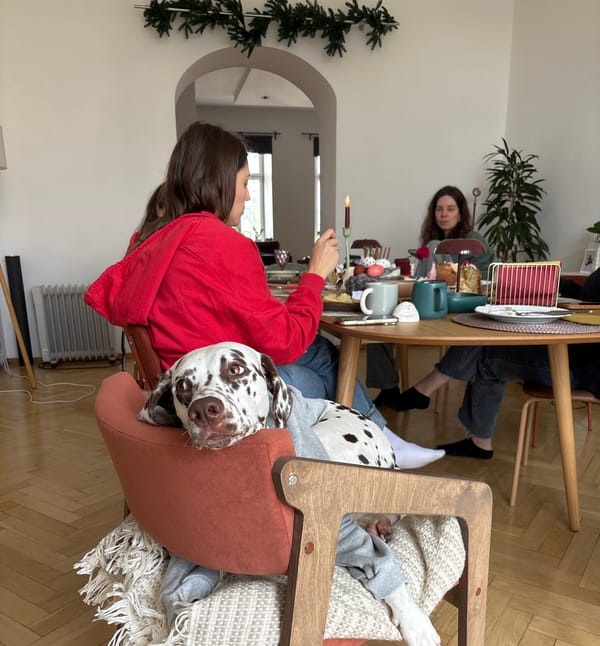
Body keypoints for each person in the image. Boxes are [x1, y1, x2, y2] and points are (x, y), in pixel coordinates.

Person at [85, 121, 444, 469]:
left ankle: (381, 436)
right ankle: (370, 449)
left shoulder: (147, 242)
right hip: (218, 398)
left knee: (320, 350)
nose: (248, 194)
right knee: (321, 374)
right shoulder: (218, 243)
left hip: (180, 387)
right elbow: (285, 342)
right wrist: (315, 275)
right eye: (244, 182)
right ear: (220, 182)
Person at [390, 266, 600, 458]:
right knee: (487, 336)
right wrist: (549, 283)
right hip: (580, 360)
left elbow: (590, 297)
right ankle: (430, 396)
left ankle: (428, 392)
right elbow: (585, 295)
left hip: (580, 371)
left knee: (487, 351)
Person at [368, 185, 494, 410]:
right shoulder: (431, 241)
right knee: (379, 317)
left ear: (460, 213)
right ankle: (387, 387)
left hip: (460, 302)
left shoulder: (473, 239)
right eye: (439, 209)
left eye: (450, 209)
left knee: (434, 247)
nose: (444, 214)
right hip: (429, 298)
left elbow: (484, 277)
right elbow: (421, 275)